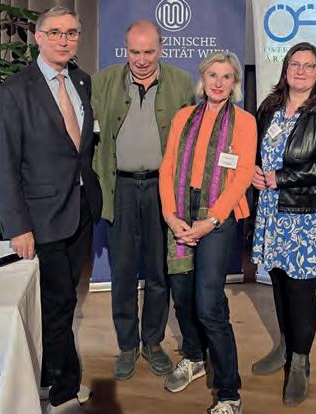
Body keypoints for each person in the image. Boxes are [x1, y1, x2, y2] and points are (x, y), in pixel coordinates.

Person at [0, 6, 102, 413]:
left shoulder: (81, 81)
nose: (63, 40)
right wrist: (18, 226)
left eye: (71, 33)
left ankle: (46, 376)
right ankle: (63, 394)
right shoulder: (14, 91)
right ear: (38, 38)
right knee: (56, 305)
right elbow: (1, 164)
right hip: (41, 218)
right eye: (54, 32)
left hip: (80, 210)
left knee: (62, 301)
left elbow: (80, 150)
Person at [91, 20, 194, 381]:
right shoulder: (103, 82)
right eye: (134, 51)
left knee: (158, 271)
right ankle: (126, 345)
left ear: (160, 49)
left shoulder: (182, 82)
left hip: (161, 190)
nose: (141, 59)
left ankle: (152, 341)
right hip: (119, 188)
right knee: (121, 272)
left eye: (149, 52)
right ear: (126, 49)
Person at [251, 42, 316, 405]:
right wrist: (255, 172)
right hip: (272, 211)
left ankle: (300, 362)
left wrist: (282, 178)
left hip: (309, 217)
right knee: (277, 282)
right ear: (286, 69)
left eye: (309, 66)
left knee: (300, 291)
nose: (301, 71)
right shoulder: (269, 107)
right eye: (295, 64)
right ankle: (285, 347)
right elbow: (255, 150)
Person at [159, 51, 256, 414]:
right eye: (212, 75)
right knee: (182, 296)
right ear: (203, 79)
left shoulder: (244, 122)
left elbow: (242, 175)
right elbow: (168, 166)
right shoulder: (183, 117)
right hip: (181, 213)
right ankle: (195, 357)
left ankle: (229, 392)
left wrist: (211, 221)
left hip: (218, 217)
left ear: (234, 83)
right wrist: (171, 216)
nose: (218, 82)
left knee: (209, 304)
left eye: (226, 76)